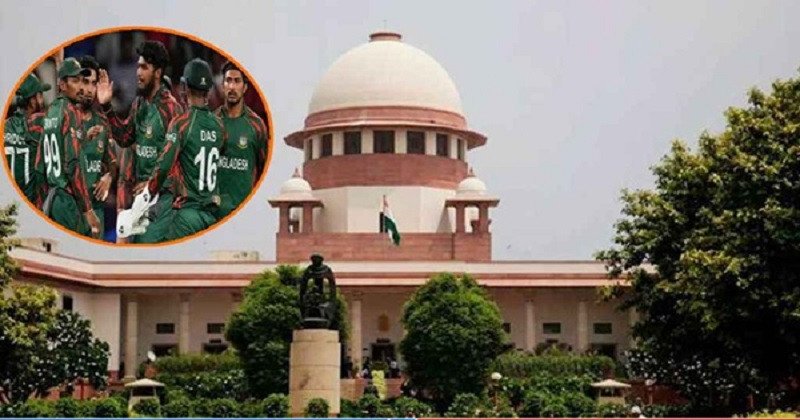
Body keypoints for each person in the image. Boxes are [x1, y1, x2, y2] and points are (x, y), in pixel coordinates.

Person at [96, 40, 182, 243]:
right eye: (137, 67)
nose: (138, 73)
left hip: (162, 199)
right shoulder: (139, 104)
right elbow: (124, 139)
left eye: (144, 67)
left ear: (158, 72)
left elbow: (179, 161)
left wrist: (152, 185)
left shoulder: (171, 109)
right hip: (140, 198)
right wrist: (107, 106)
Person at [140, 58, 225, 240]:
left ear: (185, 87)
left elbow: (164, 166)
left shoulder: (181, 123)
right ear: (208, 90)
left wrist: (147, 194)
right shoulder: (219, 126)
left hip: (188, 214)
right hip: (212, 216)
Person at [38, 58, 101, 237]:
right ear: (62, 85)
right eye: (75, 81)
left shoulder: (50, 111)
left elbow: (40, 164)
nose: (81, 87)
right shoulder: (70, 111)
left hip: (52, 199)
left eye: (81, 81)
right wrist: (88, 210)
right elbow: (72, 164)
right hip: (67, 199)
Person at [213, 61, 268, 218]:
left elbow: (264, 169)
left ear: (244, 88)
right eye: (228, 81)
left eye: (237, 81)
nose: (232, 87)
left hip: (243, 211)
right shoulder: (211, 122)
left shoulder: (256, 126)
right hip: (214, 212)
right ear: (222, 86)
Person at [78, 56, 118, 240]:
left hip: (97, 210)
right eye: (85, 82)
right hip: (72, 208)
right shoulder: (64, 117)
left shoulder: (102, 122)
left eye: (93, 83)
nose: (89, 89)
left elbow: (113, 162)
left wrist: (109, 176)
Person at [4, 73, 49, 206]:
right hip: (31, 202)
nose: (42, 99)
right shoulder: (39, 126)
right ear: (33, 100)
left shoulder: (4, 126)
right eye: (40, 95)